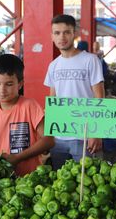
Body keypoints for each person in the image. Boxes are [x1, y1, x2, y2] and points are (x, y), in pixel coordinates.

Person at [44, 14, 105, 168]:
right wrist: (48, 135)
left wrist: (96, 132)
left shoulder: (90, 60)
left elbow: (99, 97)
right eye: (57, 33)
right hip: (59, 137)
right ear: (52, 36)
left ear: (74, 34)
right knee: (61, 182)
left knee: (87, 184)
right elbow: (53, 100)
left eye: (66, 32)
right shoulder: (53, 66)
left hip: (84, 135)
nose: (61, 37)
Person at [0, 54, 55, 176]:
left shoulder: (30, 106)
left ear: (20, 84)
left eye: (9, 84)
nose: (2, 90)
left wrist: (18, 158)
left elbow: (49, 140)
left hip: (32, 179)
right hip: (3, 179)